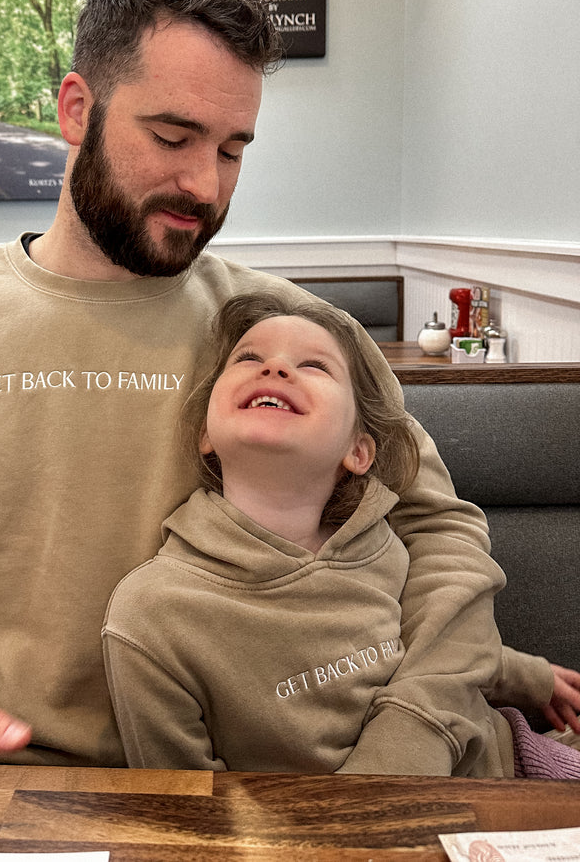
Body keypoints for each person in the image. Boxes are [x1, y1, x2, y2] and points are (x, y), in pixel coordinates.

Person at [0, 0, 566, 769]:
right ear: (77, 110)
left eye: (232, 150)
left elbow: (438, 534)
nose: (204, 183)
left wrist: (413, 733)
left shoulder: (296, 335)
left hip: (267, 785)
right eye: (171, 137)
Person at [102, 293, 580, 776]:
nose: (275, 368)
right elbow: (189, 805)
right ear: (205, 432)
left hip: (514, 761)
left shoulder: (381, 542)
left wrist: (530, 677)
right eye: (248, 358)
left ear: (359, 451)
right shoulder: (152, 614)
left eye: (314, 365)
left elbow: (425, 639)